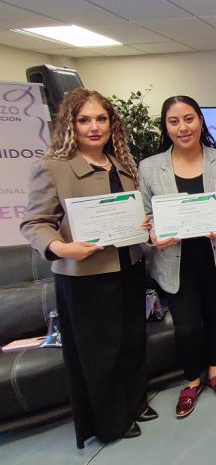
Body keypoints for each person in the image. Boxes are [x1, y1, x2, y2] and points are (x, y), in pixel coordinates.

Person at [20, 88, 155, 448]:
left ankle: (134, 402)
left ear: (112, 124)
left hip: (129, 265)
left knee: (131, 341)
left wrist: (141, 225)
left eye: (101, 119)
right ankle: (109, 422)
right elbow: (34, 223)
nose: (94, 127)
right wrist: (62, 247)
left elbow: (130, 212)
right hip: (84, 276)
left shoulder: (122, 164)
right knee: (100, 351)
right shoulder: (53, 168)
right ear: (71, 125)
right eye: (84, 120)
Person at [138, 95, 216, 419]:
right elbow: (145, 215)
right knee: (186, 326)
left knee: (215, 318)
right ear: (166, 126)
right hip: (175, 260)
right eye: (174, 121)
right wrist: (153, 233)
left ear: (200, 120)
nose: (183, 127)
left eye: (189, 119)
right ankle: (191, 381)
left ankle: (215, 372)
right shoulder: (149, 167)